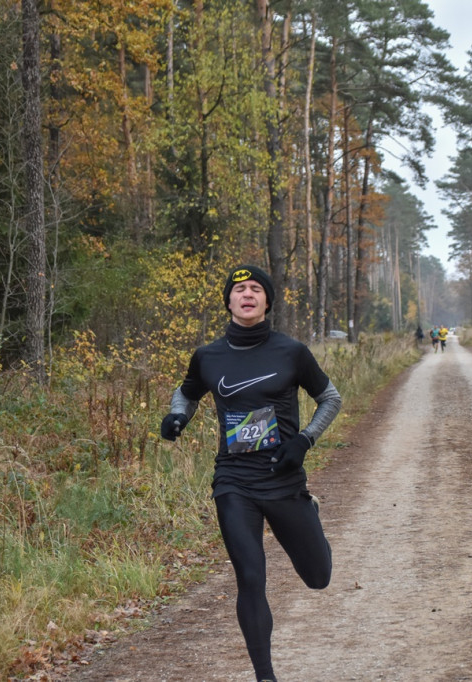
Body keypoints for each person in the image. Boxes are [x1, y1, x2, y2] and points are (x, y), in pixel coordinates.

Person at [160, 264, 342, 682]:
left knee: (318, 577)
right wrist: (176, 418)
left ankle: (309, 513)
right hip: (234, 481)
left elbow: (330, 398)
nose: (247, 294)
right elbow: (186, 393)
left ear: (267, 301)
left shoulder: (291, 352)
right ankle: (265, 676)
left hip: (283, 477)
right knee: (250, 576)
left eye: (256, 289)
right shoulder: (208, 355)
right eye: (239, 289)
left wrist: (305, 441)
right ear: (228, 301)